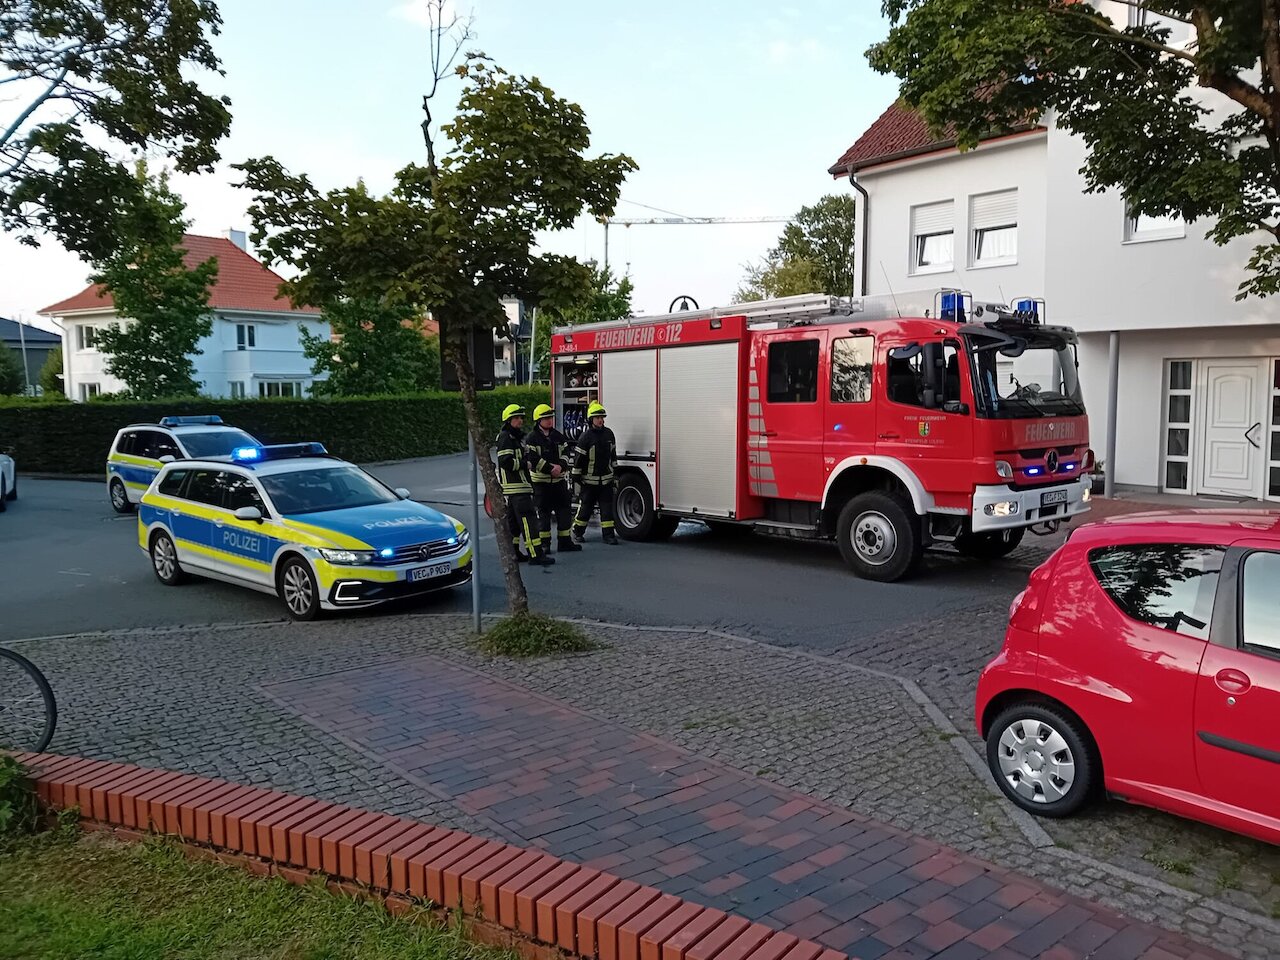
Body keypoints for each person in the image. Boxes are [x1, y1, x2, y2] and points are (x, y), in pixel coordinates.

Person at [495, 404, 553, 567]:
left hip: (517, 488)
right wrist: (524, 464)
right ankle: (535, 554)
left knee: (514, 525)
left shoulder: (515, 438)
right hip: (518, 488)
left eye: (521, 418)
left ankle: (514, 552)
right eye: (516, 418)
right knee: (529, 522)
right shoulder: (506, 437)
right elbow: (505, 461)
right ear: (508, 421)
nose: (520, 421)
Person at [528, 403, 580, 554]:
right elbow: (533, 459)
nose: (549, 420)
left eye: (550, 417)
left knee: (564, 512)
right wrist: (551, 469)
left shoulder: (558, 436)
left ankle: (565, 542)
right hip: (541, 484)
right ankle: (545, 545)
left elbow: (566, 453)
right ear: (538, 420)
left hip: (559, 482)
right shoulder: (532, 438)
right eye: (545, 418)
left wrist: (561, 466)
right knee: (543, 515)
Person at [572, 401, 619, 545]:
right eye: (597, 417)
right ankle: (577, 532)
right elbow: (578, 460)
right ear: (591, 419)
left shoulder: (609, 434)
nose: (601, 420)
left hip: (606, 480)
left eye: (602, 417)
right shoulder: (586, 437)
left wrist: (615, 476)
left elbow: (613, 457)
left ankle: (609, 535)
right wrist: (577, 479)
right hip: (589, 482)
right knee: (585, 508)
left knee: (607, 510)